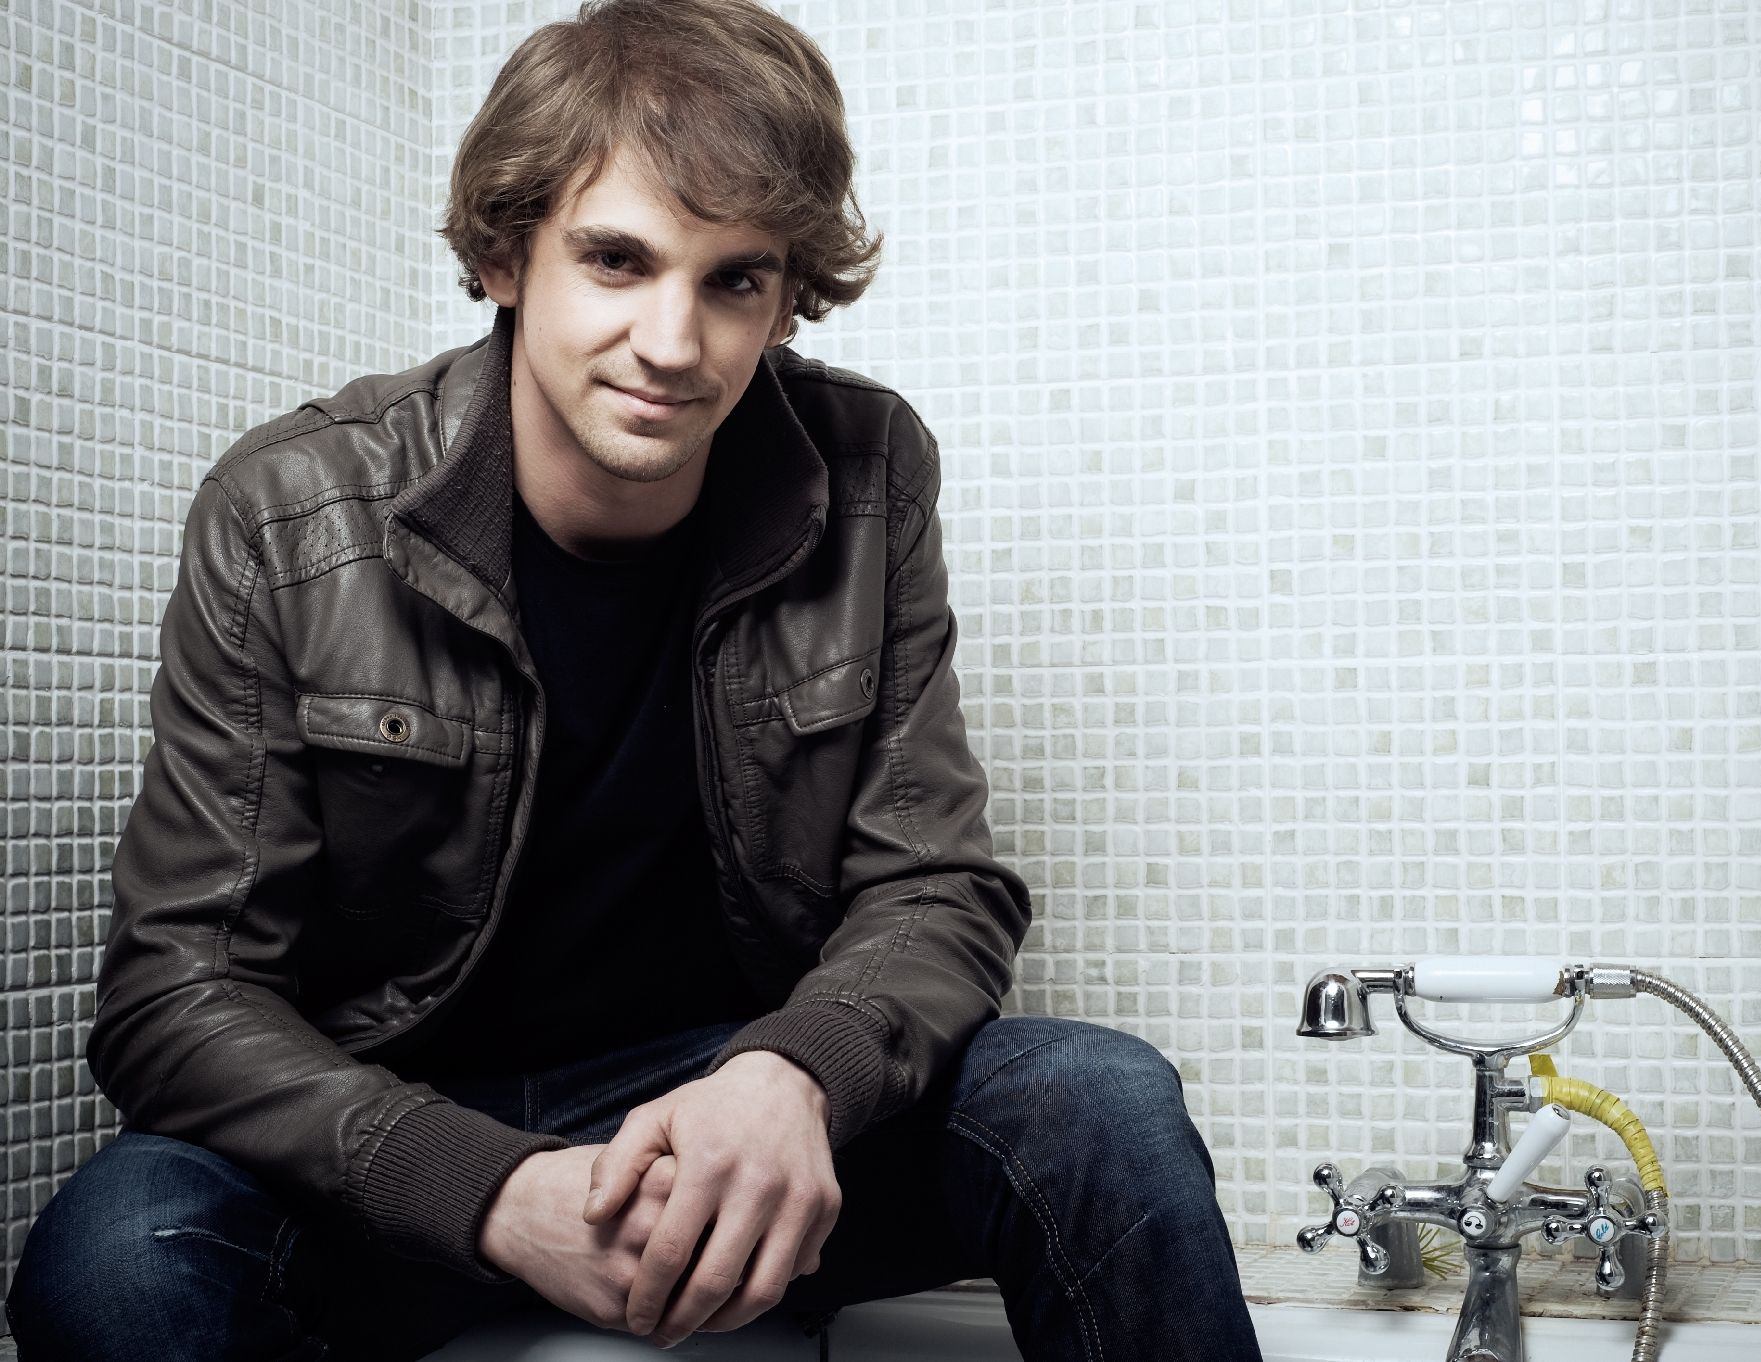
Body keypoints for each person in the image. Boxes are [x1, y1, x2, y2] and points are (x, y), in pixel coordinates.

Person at [3, 2, 1264, 1359]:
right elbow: (176, 993)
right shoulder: (290, 513)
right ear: (506, 253)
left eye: (736, 279)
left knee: (1095, 1098)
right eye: (617, 259)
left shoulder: (865, 469)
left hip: (725, 1122)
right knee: (117, 1264)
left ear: (787, 295)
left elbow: (937, 883)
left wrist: (791, 1071)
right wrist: (489, 1190)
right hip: (387, 1140)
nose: (673, 341)